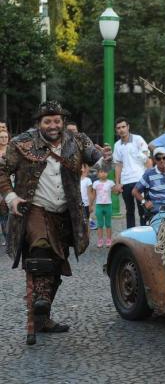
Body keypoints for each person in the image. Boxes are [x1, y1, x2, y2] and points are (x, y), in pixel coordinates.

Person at [0, 100, 112, 342]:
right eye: (47, 121)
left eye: (57, 120)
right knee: (40, 249)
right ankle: (39, 303)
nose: (53, 125)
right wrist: (11, 197)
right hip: (34, 209)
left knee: (56, 267)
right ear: (39, 123)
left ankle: (42, 317)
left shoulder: (77, 140)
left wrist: (105, 158)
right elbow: (2, 170)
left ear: (63, 122)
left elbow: (95, 159)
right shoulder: (21, 143)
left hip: (66, 214)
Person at [113, 117, 149, 228]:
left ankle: (144, 234)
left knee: (143, 208)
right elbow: (118, 165)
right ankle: (131, 236)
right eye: (118, 128)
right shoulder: (117, 145)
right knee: (129, 210)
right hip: (126, 181)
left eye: (123, 127)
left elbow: (147, 157)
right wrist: (117, 183)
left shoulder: (138, 139)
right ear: (116, 130)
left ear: (128, 127)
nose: (121, 130)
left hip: (140, 180)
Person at [132, 147, 165, 219]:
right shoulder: (149, 173)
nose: (162, 160)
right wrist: (144, 202)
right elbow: (135, 191)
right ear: (154, 160)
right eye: (158, 158)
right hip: (156, 212)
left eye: (164, 158)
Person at [91, 167, 116, 248]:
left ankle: (109, 239)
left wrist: (119, 189)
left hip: (108, 205)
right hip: (99, 206)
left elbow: (115, 191)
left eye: (105, 172)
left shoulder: (110, 183)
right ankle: (100, 239)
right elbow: (94, 195)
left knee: (108, 224)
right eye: (101, 172)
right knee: (100, 224)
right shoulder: (95, 183)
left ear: (107, 173)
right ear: (98, 174)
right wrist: (90, 204)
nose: (103, 173)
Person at [0, 130, 10, 245]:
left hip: (11, 183)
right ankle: (6, 237)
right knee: (3, 212)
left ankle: (13, 236)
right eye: (1, 137)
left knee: (12, 211)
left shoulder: (12, 150)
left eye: (5, 137)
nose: (3, 139)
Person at [80, 164, 93, 236]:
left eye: (81, 166)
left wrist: (90, 205)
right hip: (78, 205)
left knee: (87, 221)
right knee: (79, 222)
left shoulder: (88, 180)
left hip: (86, 204)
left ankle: (87, 236)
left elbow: (90, 194)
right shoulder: (76, 179)